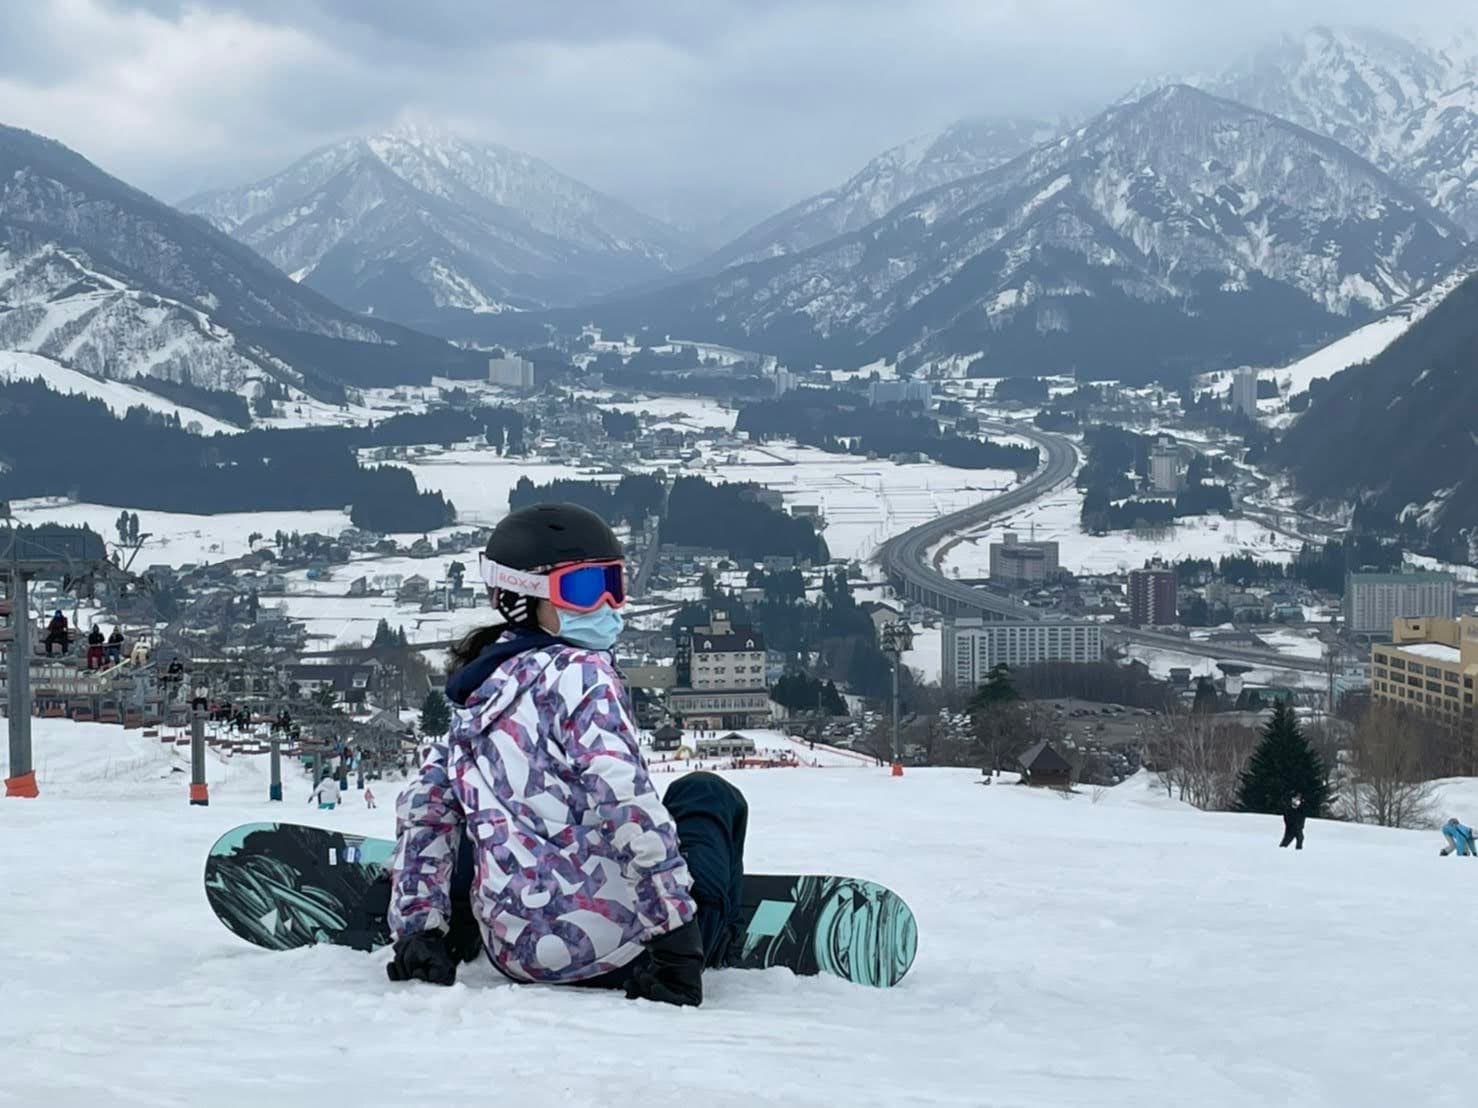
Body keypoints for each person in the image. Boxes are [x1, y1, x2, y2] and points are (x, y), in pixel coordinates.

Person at [385, 503, 747, 1007]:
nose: (606, 603)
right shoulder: (584, 674)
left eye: (613, 584)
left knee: (486, 811)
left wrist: (416, 929)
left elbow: (426, 804)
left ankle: (457, 918)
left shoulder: (476, 692)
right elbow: (625, 800)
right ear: (523, 598)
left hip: (514, 957)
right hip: (625, 953)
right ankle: (706, 922)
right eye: (581, 588)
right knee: (706, 795)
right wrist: (674, 946)